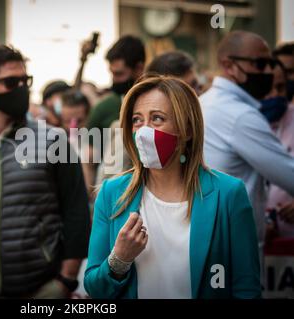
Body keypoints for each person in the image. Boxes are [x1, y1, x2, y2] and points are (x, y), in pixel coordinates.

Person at [84, 75, 261, 299]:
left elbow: (246, 287)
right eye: (137, 120)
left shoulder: (228, 193)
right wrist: (119, 259)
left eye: (157, 118)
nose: (144, 130)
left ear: (187, 129)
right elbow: (95, 289)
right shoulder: (112, 193)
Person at [0, 45, 91, 298]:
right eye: (11, 82)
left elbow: (76, 212)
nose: (21, 88)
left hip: (40, 288)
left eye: (25, 80)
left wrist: (65, 281)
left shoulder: (54, 140)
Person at [200, 31, 294, 256]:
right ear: (229, 65)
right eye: (260, 64)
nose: (269, 71)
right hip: (234, 250)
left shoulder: (203, 103)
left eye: (271, 64)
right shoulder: (240, 115)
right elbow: (289, 175)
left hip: (208, 241)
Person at [96, 50, 201, 184]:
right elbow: (107, 185)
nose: (196, 94)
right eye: (186, 89)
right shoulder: (126, 132)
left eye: (196, 85)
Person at [85, 35, 146, 197]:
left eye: (120, 74)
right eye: (112, 74)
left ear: (139, 68)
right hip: (113, 194)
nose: (114, 80)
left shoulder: (157, 102)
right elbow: (89, 159)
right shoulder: (104, 108)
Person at [265, 43, 294, 238]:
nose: (275, 94)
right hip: (260, 240)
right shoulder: (240, 124)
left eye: (281, 87)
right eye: (269, 88)